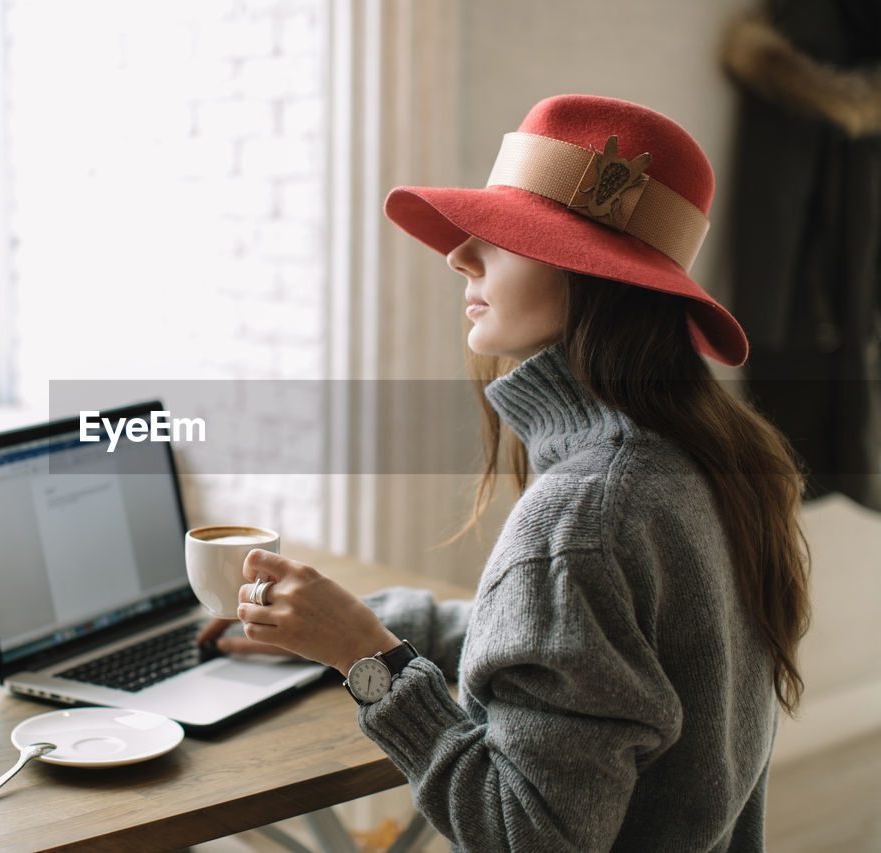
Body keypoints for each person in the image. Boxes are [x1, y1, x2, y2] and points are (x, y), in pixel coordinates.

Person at [197, 94, 810, 851]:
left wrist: (368, 660)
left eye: (505, 234)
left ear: (595, 274)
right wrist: (366, 624)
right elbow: (590, 646)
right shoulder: (704, 457)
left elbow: (527, 833)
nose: (459, 255)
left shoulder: (586, 515)